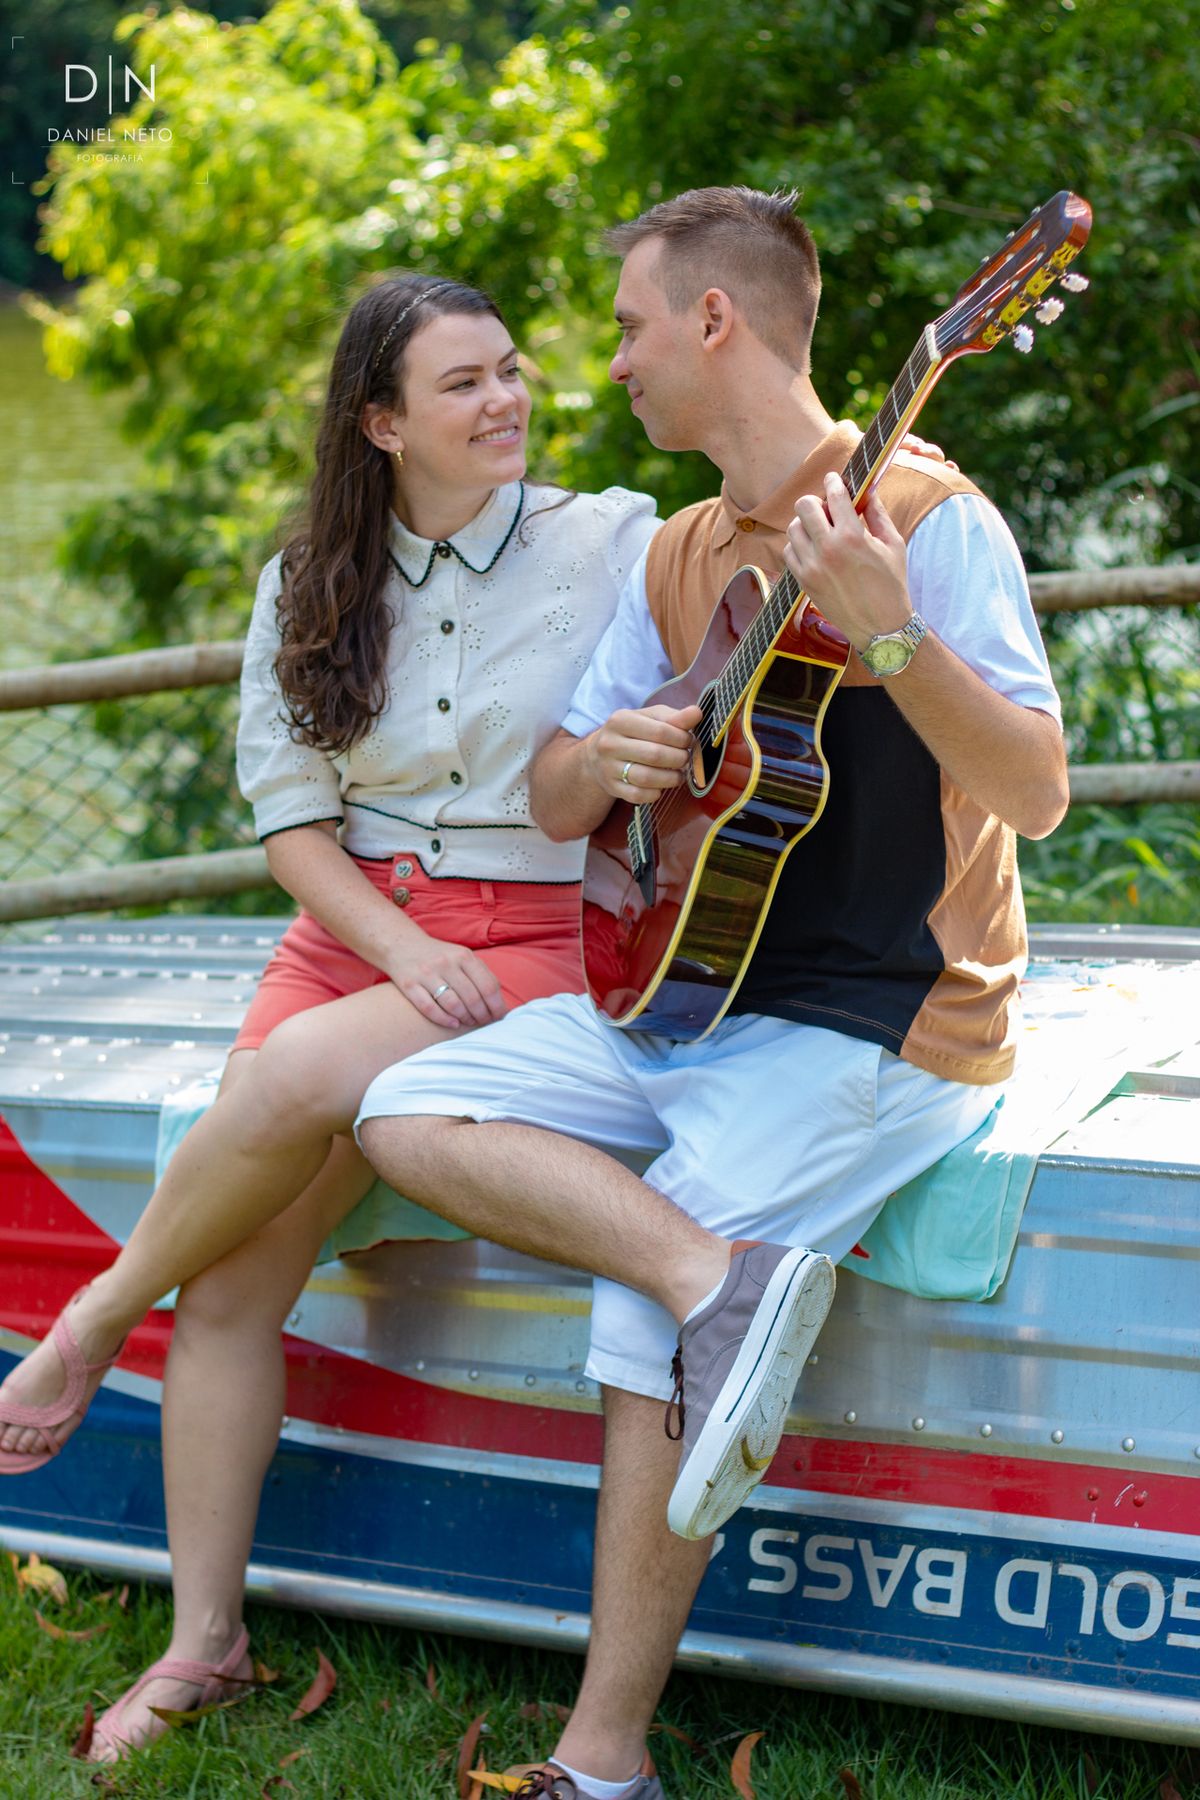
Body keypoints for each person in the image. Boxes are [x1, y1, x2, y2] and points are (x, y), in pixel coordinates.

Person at [351, 187, 1069, 1800]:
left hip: (888, 1024)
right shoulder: (682, 552)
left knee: (629, 1322)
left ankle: (599, 1767)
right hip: (688, 994)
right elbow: (552, 800)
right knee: (405, 1103)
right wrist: (601, 761)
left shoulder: (932, 518)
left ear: (717, 323)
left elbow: (1035, 792)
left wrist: (893, 643)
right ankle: (710, 1272)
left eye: (627, 327)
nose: (608, 364)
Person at [0, 273, 661, 1759]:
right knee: (235, 1283)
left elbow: (742, 574)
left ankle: (90, 1317)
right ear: (381, 424)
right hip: (350, 932)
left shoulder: (611, 536)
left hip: (534, 936)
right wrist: (388, 939)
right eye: (462, 384)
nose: (508, 401)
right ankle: (205, 1645)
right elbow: (294, 821)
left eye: (511, 371)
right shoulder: (311, 574)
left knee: (293, 1078)